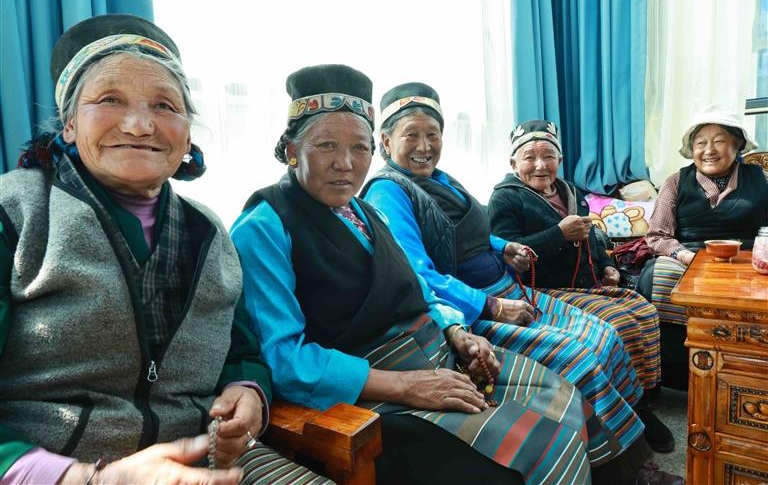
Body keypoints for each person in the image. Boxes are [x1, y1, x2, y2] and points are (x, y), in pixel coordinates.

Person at [231, 64, 616, 485]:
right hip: (373, 385)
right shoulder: (264, 227)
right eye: (326, 145)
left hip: (436, 350)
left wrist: (457, 332)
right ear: (291, 150)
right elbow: (284, 359)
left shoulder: (365, 212)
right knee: (544, 446)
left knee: (564, 399)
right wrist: (407, 386)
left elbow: (417, 287)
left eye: (359, 147)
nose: (346, 164)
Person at [0, 14, 328, 485]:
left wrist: (247, 391)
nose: (138, 125)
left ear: (187, 132)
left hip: (206, 459)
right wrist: (86, 478)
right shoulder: (16, 212)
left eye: (164, 105)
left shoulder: (208, 231)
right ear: (69, 124)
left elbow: (241, 347)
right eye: (109, 99)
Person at [361, 82, 687, 484]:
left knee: (604, 335)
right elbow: (417, 275)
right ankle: (621, 476)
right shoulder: (387, 192)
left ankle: (634, 438)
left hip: (510, 290)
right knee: (577, 358)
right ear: (385, 141)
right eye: (411, 135)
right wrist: (492, 306)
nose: (424, 146)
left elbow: (475, 232)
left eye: (433, 134)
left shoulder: (442, 179)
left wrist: (504, 246)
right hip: (476, 308)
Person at [486, 119, 672, 453]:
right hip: (545, 291)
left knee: (643, 311)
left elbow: (593, 236)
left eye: (548, 156)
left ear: (560, 159)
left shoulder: (569, 191)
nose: (540, 165)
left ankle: (643, 397)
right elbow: (509, 254)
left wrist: (607, 265)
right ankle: (631, 409)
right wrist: (559, 234)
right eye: (529, 157)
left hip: (587, 284)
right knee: (618, 322)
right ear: (514, 163)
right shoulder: (506, 199)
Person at [637, 105, 768, 389]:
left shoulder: (760, 179)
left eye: (719, 141)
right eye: (700, 143)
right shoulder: (676, 182)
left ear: (737, 145)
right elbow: (657, 235)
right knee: (657, 276)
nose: (709, 150)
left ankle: (747, 374)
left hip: (746, 264)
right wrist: (686, 256)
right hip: (688, 261)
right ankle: (673, 374)